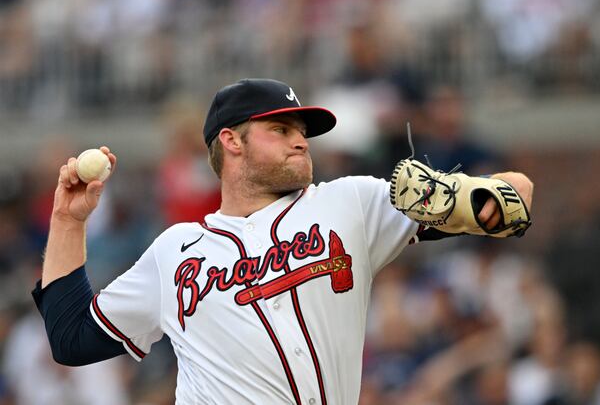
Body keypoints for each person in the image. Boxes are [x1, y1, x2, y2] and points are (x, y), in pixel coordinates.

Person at [32, 78, 533, 404]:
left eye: (303, 130)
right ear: (231, 140)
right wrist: (67, 220)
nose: (300, 139)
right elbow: (71, 338)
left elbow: (518, 196)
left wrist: (455, 199)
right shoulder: (175, 251)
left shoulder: (350, 203)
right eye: (281, 127)